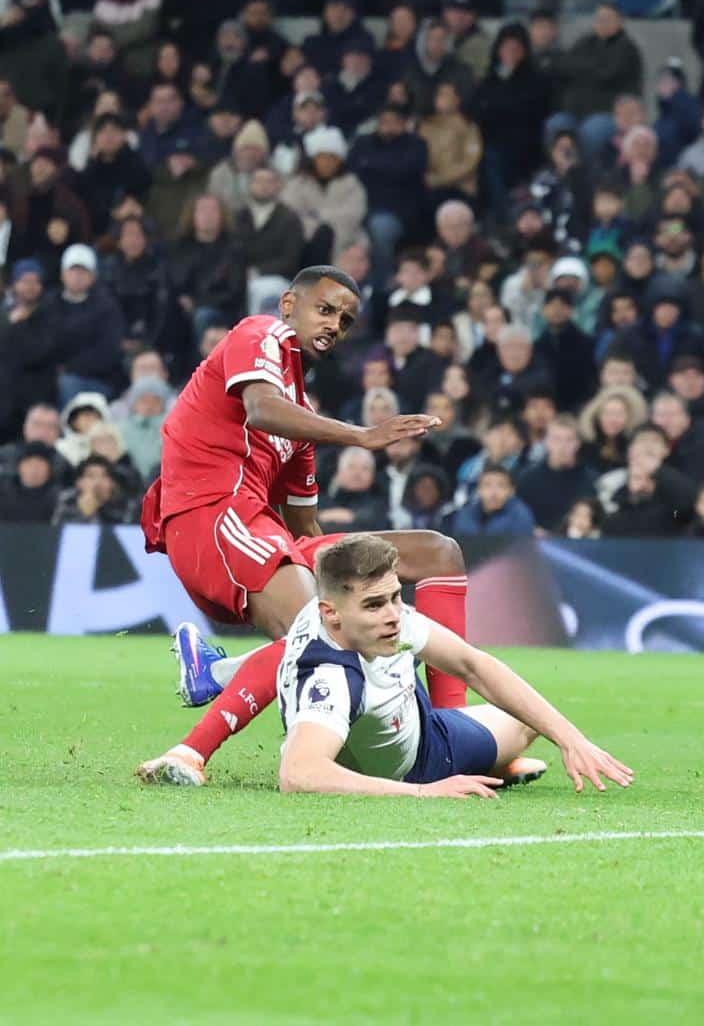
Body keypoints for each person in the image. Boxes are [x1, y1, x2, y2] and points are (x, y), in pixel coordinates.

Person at [132, 267, 467, 789]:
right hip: (209, 516)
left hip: (258, 531)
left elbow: (305, 527)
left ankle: (455, 730)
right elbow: (260, 410)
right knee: (319, 624)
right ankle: (189, 753)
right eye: (326, 309)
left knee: (436, 551)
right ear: (289, 304)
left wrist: (355, 584)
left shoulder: (301, 417)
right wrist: (362, 436)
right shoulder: (258, 334)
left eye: (347, 320)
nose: (335, 325)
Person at [272, 534, 631, 797]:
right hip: (423, 763)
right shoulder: (331, 678)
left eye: (397, 596)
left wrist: (572, 740)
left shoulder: (374, 618)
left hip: (417, 716)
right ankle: (487, 766)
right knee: (522, 725)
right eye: (374, 605)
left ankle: (496, 764)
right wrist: (426, 792)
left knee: (534, 718)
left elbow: (474, 666)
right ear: (330, 613)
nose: (394, 615)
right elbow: (298, 773)